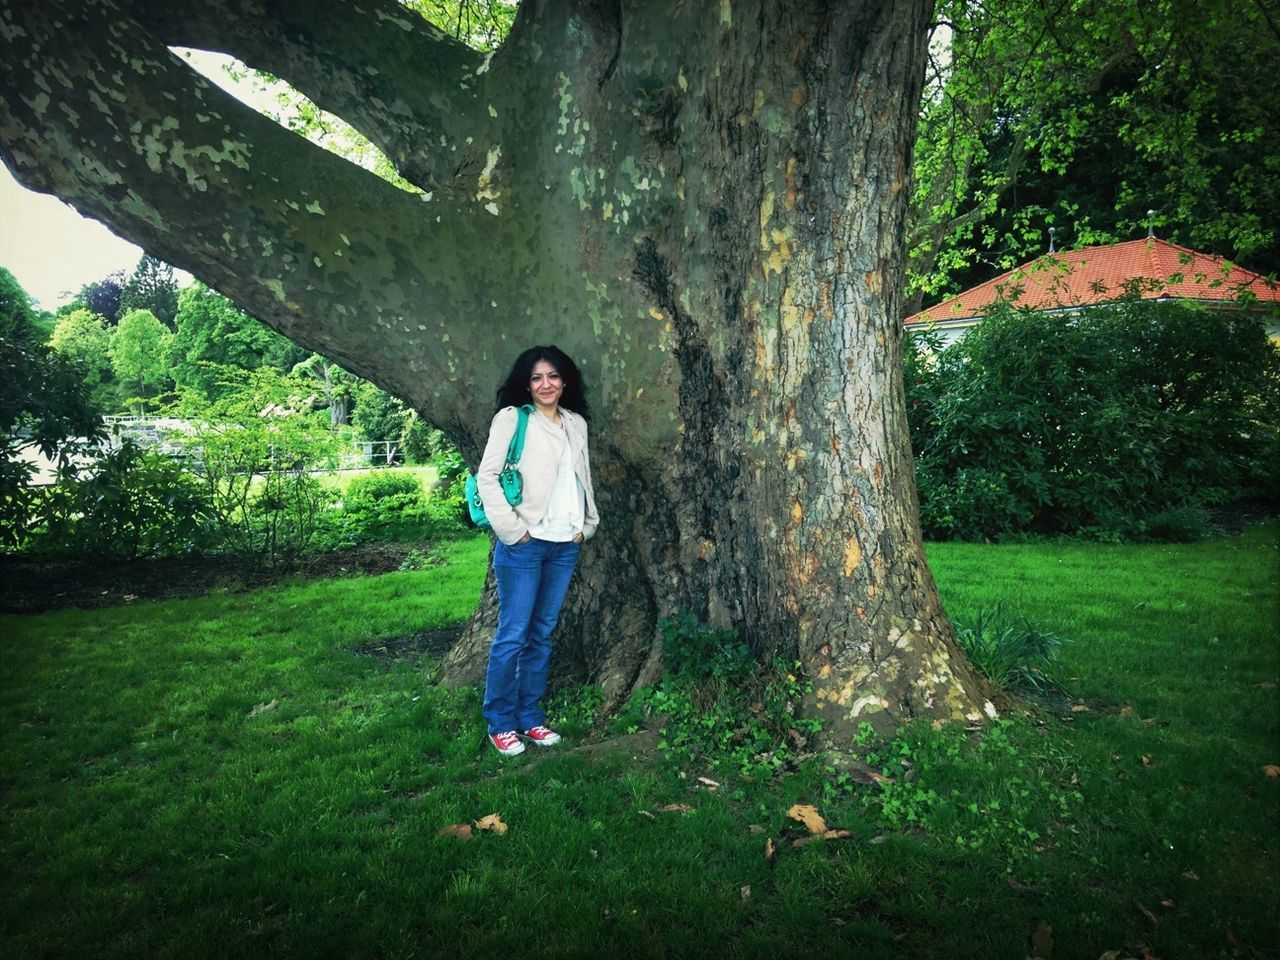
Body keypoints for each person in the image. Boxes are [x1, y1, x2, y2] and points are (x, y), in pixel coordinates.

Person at [475, 345, 599, 756]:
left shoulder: (575, 423)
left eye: (553, 377)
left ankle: (530, 717)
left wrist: (586, 524)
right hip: (525, 545)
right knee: (513, 634)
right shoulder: (513, 419)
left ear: (565, 381)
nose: (545, 385)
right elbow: (487, 476)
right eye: (536, 378)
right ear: (526, 384)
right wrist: (513, 531)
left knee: (542, 634)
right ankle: (500, 722)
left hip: (565, 544)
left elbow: (580, 476)